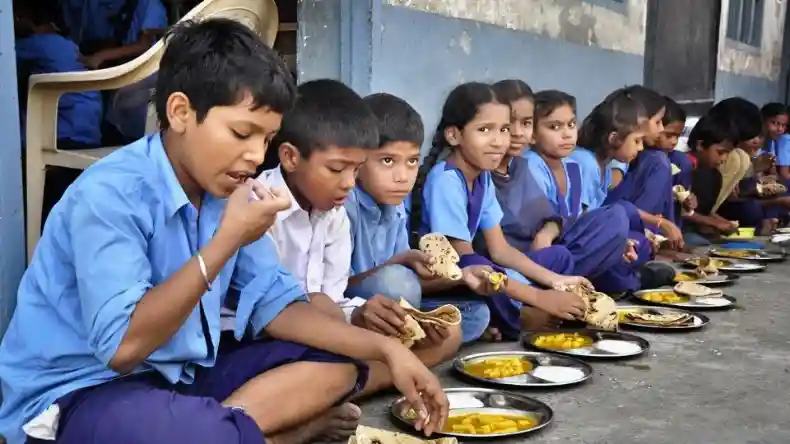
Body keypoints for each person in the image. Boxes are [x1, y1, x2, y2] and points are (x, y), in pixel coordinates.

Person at [0, 20, 447, 444]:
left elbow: (280, 309)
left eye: (266, 139)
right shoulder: (110, 194)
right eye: (241, 133)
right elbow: (122, 347)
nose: (256, 156)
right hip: (84, 389)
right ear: (180, 112)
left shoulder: (224, 190)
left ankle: (228, 431)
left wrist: (389, 351)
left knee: (343, 364)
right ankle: (272, 433)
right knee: (181, 430)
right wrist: (226, 241)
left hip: (184, 375)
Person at [253, 82, 463, 399]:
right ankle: (354, 383)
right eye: (337, 169)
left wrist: (362, 314)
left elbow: (333, 300)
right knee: (331, 353)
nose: (349, 183)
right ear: (290, 157)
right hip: (266, 341)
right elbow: (276, 315)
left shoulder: (332, 214)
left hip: (323, 332)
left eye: (356, 169)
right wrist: (364, 330)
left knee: (450, 334)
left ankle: (352, 384)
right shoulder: (260, 209)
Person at [410, 82, 588, 343]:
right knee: (483, 275)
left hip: (483, 272)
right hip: (451, 281)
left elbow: (501, 250)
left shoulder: (483, 178)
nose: (498, 141)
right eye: (484, 130)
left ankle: (518, 309)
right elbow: (466, 260)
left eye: (504, 129)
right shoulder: (445, 181)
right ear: (454, 136)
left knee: (558, 258)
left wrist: (557, 281)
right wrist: (540, 296)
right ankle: (520, 317)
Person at [486, 79, 636, 292]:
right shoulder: (506, 169)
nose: (518, 132)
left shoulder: (518, 166)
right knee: (564, 257)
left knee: (618, 218)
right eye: (509, 125)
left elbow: (549, 218)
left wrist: (547, 232)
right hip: (516, 265)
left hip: (545, 254)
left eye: (526, 123)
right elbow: (497, 250)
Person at [604, 86, 685, 252]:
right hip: (613, 224)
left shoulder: (634, 153)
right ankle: (648, 237)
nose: (661, 128)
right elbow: (612, 204)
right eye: (657, 122)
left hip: (621, 219)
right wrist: (657, 223)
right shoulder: (617, 156)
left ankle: (663, 240)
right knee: (659, 162)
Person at [14, 0, 103, 149]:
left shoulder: (37, 44)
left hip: (65, 136)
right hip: (89, 132)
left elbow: (5, 56)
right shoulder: (65, 43)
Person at [657, 97, 697, 229]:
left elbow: (683, 198)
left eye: (677, 136)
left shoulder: (679, 162)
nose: (674, 142)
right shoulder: (637, 158)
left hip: (670, 223)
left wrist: (687, 201)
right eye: (668, 136)